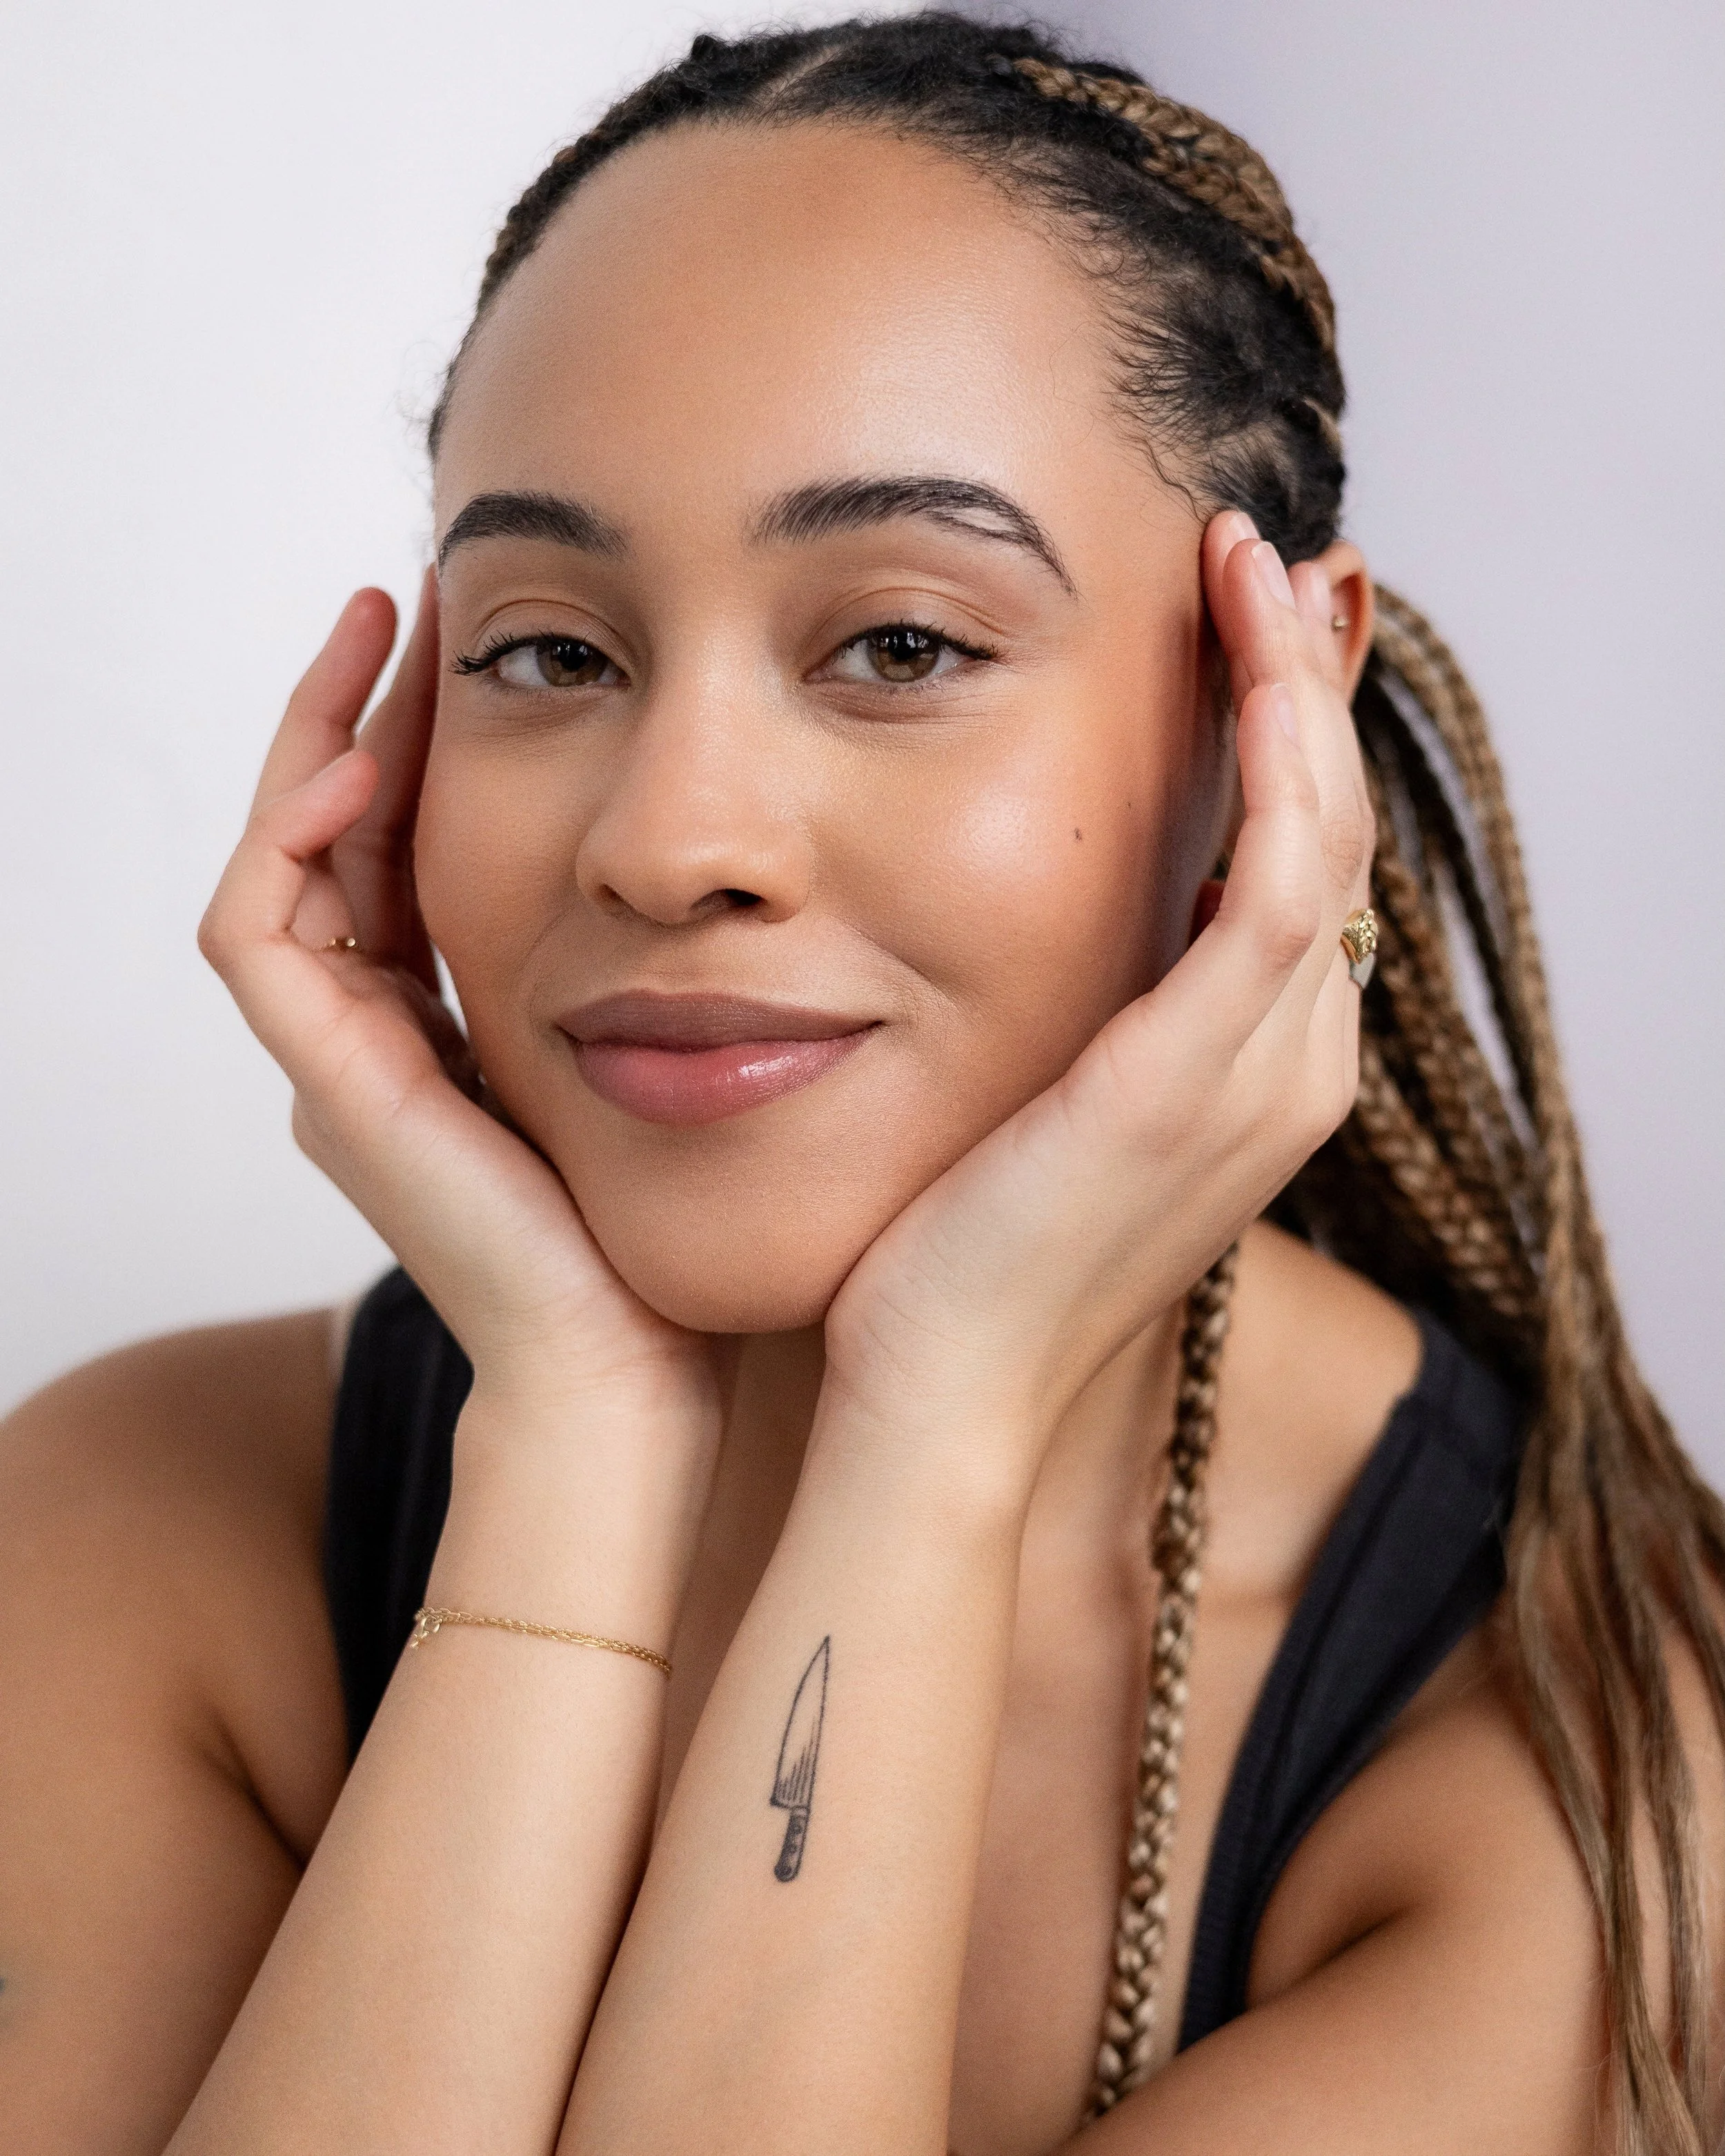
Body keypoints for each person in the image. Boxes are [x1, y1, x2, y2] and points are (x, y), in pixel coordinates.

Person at [1, 12, 1719, 2153]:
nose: (667, 837)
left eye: (900, 644)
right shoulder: (141, 1527)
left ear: (1270, 708)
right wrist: (574, 1441)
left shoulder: (1582, 1770)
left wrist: (926, 1439)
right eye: (549, 650)